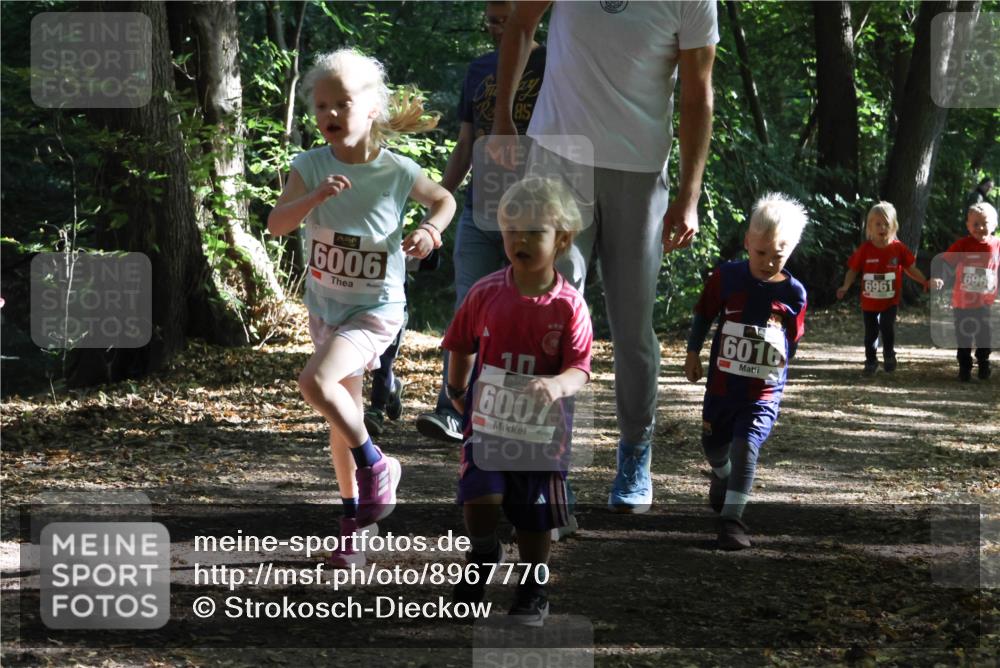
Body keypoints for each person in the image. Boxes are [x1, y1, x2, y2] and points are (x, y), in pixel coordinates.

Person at [489, 1, 718, 513]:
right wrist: (503, 118)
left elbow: (697, 93)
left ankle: (635, 451)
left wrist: (689, 193)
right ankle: (546, 465)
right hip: (557, 154)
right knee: (547, 310)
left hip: (639, 167)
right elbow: (521, 23)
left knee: (632, 324)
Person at [268, 49, 456, 567]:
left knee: (315, 384)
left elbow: (444, 200)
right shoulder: (309, 166)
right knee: (341, 419)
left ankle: (378, 465)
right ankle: (356, 525)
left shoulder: (397, 170)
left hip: (375, 310)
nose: (329, 114)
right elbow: (277, 225)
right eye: (321, 105)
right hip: (327, 309)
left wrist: (429, 230)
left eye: (342, 104)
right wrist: (313, 198)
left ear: (372, 108)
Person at [445, 176, 592, 626]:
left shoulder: (569, 306)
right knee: (480, 498)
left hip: (542, 433)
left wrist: (557, 385)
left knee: (534, 517)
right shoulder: (486, 292)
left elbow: (579, 368)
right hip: (488, 423)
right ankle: (483, 553)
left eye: (533, 231)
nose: (520, 240)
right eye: (511, 230)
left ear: (561, 239)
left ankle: (532, 589)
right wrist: (456, 390)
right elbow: (461, 343)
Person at [416, 0, 546, 444]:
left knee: (525, 314)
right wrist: (438, 203)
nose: (497, 28)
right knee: (469, 307)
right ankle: (452, 409)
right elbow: (466, 144)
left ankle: (513, 417)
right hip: (480, 207)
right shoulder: (478, 70)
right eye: (492, 20)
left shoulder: (553, 64)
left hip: (533, 213)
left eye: (506, 20)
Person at [684, 194, 808, 550]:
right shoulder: (726, 278)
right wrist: (692, 353)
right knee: (713, 445)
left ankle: (732, 521)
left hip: (762, 392)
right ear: (747, 243)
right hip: (722, 387)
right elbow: (704, 314)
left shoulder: (794, 294)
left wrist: (779, 371)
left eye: (778, 255)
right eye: (761, 252)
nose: (768, 262)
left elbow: (791, 340)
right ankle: (722, 476)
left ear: (791, 250)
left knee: (746, 446)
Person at [835, 202, 930, 375]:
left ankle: (889, 354)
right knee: (871, 333)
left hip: (890, 300)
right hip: (869, 301)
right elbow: (853, 270)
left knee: (887, 326)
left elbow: (910, 269)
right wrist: (845, 286)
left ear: (893, 226)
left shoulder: (898, 248)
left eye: (886, 224)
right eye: (878, 224)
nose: (882, 228)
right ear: (870, 227)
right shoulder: (865, 249)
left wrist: (924, 281)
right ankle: (871, 361)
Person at [931, 202, 1000, 381]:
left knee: (984, 334)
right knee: (964, 335)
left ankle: (984, 363)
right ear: (968, 226)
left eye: (985, 223)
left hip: (984, 301)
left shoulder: (997, 245)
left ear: (994, 225)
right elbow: (945, 262)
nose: (980, 228)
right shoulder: (963, 244)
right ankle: (964, 368)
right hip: (962, 301)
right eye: (975, 224)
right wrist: (939, 278)